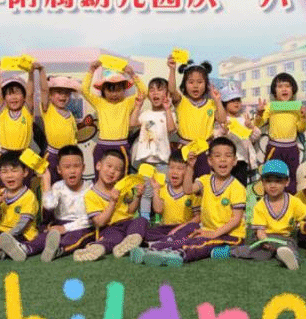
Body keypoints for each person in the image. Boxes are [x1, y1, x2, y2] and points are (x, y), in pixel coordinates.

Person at [138, 137, 246, 266]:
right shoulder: (205, 180)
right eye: (217, 156)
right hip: (206, 229)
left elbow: (236, 219)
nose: (223, 159)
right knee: (188, 230)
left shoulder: (237, 187)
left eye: (228, 156)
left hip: (230, 235)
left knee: (201, 243)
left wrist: (214, 234)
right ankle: (155, 248)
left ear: (234, 161)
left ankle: (177, 254)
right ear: (210, 161)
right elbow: (188, 190)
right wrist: (190, 167)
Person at [234, 160, 306, 270]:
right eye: (268, 181)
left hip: (285, 239)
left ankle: (290, 259)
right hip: (265, 238)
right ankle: (225, 252)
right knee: (257, 254)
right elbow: (260, 231)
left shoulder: (294, 202)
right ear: (262, 182)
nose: (273, 185)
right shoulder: (260, 205)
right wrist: (265, 241)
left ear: (287, 182)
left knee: (288, 249)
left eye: (278, 181)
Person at [5, 145, 96, 262]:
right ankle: (25, 249)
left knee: (76, 238)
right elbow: (49, 205)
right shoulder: (58, 186)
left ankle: (58, 250)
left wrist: (65, 228)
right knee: (44, 236)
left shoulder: (90, 188)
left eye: (76, 166)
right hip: (59, 223)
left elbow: (90, 219)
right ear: (59, 170)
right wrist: (46, 180)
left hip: (81, 226)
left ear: (83, 168)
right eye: (67, 167)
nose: (72, 171)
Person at [77, 149, 146, 262]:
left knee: (141, 221)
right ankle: (97, 248)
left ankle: (130, 241)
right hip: (110, 227)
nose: (112, 171)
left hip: (128, 223)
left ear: (121, 174)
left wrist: (137, 196)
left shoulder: (121, 188)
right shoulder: (90, 195)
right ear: (99, 166)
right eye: (109, 166)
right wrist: (113, 202)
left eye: (117, 169)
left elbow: (130, 211)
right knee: (113, 238)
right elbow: (99, 222)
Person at [82, 58, 145, 176]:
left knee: (121, 178)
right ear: (103, 90)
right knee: (100, 177)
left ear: (124, 89)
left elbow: (143, 92)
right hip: (102, 146)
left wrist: (132, 75)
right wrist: (91, 71)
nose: (114, 94)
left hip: (121, 146)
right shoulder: (99, 102)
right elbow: (84, 90)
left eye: (118, 90)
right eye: (110, 90)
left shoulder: (127, 102)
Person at [0, 151, 39, 264]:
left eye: (14, 170)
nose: (9, 175)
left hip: (22, 234)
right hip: (0, 230)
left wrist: (6, 237)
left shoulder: (28, 196)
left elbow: (22, 225)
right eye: (4, 172)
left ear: (25, 172)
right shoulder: (0, 192)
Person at [130, 77, 177, 218]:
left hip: (163, 162)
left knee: (162, 191)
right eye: (152, 90)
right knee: (146, 191)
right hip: (145, 161)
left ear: (167, 94)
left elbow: (171, 129)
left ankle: (160, 218)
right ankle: (144, 219)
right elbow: (132, 124)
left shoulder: (170, 114)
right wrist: (137, 107)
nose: (155, 93)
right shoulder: (145, 114)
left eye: (160, 90)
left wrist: (168, 109)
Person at [167, 57, 221, 179]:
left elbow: (222, 119)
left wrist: (218, 101)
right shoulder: (181, 101)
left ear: (206, 84)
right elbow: (171, 90)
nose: (195, 86)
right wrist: (172, 70)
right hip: (184, 150)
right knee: (182, 183)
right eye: (191, 82)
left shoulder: (211, 104)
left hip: (205, 151)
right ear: (184, 84)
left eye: (200, 82)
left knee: (203, 183)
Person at [253, 72, 306, 192]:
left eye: (287, 86)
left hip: (292, 148)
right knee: (272, 176)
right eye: (280, 86)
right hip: (275, 148)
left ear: (293, 90)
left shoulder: (297, 108)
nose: (284, 89)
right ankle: (270, 201)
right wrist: (260, 113)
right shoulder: (270, 106)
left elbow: (301, 129)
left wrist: (303, 118)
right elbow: (258, 123)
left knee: (292, 178)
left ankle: (291, 200)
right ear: (274, 91)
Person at [144, 149, 198, 243]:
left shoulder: (192, 190)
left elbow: (198, 217)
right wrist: (156, 190)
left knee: (193, 230)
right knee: (148, 232)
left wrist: (181, 227)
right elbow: (158, 210)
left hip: (183, 227)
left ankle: (169, 242)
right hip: (166, 228)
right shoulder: (163, 188)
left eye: (179, 169)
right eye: (171, 167)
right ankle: (168, 241)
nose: (174, 172)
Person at [38, 71, 81, 187]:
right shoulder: (48, 110)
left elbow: (74, 136)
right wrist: (41, 71)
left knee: (69, 187)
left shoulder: (70, 115)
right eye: (59, 92)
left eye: (66, 93)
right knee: (50, 186)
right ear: (50, 95)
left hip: (69, 157)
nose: (63, 96)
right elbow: (44, 90)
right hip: (53, 156)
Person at [0, 59, 39, 156]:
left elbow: (30, 93)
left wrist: (31, 73)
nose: (13, 97)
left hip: (24, 155)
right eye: (9, 94)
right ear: (4, 98)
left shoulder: (26, 111)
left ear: (24, 97)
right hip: (5, 155)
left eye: (17, 93)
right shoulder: (3, 112)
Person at [215, 83, 258, 187]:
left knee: (242, 189)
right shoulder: (223, 120)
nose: (236, 103)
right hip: (227, 162)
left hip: (243, 162)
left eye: (238, 100)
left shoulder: (244, 119)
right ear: (224, 103)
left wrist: (251, 127)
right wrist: (224, 132)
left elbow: (254, 138)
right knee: (227, 188)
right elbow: (217, 139)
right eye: (232, 100)